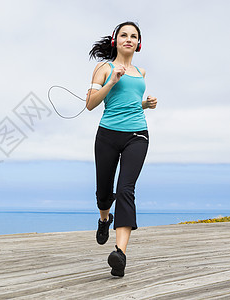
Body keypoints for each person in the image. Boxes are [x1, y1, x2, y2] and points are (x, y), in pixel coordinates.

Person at [86, 21, 158, 277]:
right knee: (104, 192)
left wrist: (145, 105)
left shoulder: (141, 72)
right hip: (107, 135)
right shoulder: (103, 68)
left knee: (125, 189)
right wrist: (111, 81)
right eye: (124, 35)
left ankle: (120, 254)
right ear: (116, 40)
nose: (129, 38)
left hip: (137, 135)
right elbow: (91, 104)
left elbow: (130, 104)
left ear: (139, 44)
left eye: (134, 36)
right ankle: (105, 219)